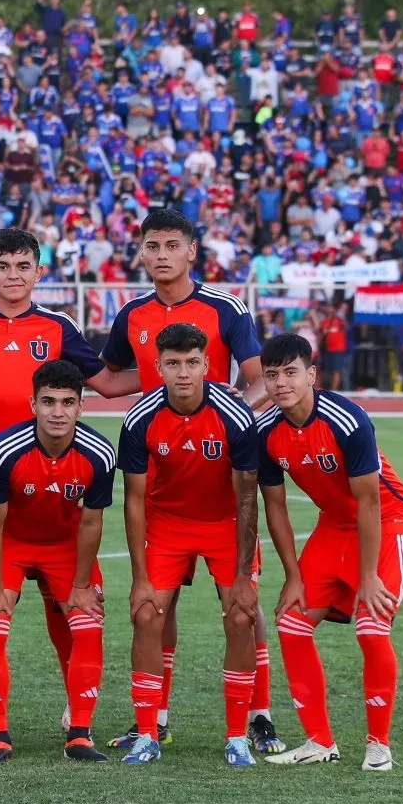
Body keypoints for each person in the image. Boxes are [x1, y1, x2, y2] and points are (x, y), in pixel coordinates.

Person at [0, 227, 139, 744]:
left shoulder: (57, 325)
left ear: (39, 273)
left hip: (55, 490)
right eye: (3, 266)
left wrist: (177, 377)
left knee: (64, 605)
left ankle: (77, 710)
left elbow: (107, 384)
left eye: (23, 266)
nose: (13, 276)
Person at [100, 208, 285, 755]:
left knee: (242, 605)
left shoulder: (225, 308)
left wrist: (226, 421)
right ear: (140, 252)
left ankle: (259, 715)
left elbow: (257, 381)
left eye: (171, 245)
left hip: (221, 469)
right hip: (163, 478)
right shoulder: (131, 314)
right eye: (151, 245)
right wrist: (25, 383)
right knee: (158, 606)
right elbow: (112, 379)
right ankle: (153, 720)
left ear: (191, 251)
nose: (161, 255)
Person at [258, 334, 403, 771]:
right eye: (271, 375)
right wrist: (293, 576)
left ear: (310, 375)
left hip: (389, 522)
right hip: (334, 526)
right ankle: (319, 741)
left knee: (371, 627)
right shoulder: (267, 432)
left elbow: (370, 502)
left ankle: (378, 745)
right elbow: (274, 506)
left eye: (290, 372)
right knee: (291, 624)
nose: (280, 383)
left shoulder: (347, 419)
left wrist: (369, 577)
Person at [117, 323, 260, 767]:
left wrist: (241, 575)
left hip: (224, 523)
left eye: (192, 363)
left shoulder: (235, 416)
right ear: (158, 366)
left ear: (208, 365)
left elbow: (248, 496)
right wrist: (140, 578)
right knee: (145, 614)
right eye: (173, 364)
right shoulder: (139, 419)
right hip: (168, 524)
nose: (183, 373)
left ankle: (237, 736)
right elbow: (134, 501)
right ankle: (147, 734)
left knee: (241, 615)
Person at [0, 360, 117, 764]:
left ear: (80, 407)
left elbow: (91, 521)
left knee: (87, 626)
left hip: (65, 547)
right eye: (48, 401)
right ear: (32, 403)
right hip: (12, 544)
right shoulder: (3, 449)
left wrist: (83, 584)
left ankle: (79, 735)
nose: (58, 411)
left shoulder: (100, 452)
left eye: (67, 402)